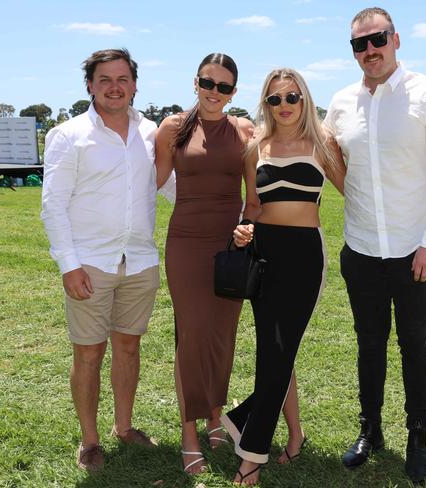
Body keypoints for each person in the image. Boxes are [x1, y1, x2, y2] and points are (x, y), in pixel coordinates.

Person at [324, 7, 426, 484]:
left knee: (415, 345)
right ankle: (371, 430)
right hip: (360, 248)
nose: (369, 50)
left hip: (414, 251)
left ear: (396, 39)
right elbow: (327, 160)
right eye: (359, 44)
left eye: (377, 39)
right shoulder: (341, 102)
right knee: (369, 345)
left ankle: (418, 434)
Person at [41, 48, 174, 472]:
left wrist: (226, 210)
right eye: (104, 80)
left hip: (139, 261)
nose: (114, 87)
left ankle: (123, 426)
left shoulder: (152, 132)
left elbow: (170, 187)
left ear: (135, 84)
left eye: (122, 79)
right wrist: (69, 264)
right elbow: (53, 205)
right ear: (90, 86)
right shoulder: (68, 135)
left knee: (129, 348)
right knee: (88, 354)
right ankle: (89, 440)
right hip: (91, 264)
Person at [221, 67, 346, 485]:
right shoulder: (256, 147)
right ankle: (294, 436)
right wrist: (243, 229)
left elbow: (357, 190)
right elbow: (252, 207)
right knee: (275, 354)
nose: (284, 106)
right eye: (275, 99)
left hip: (305, 256)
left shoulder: (323, 143)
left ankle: (250, 450)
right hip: (265, 252)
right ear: (266, 104)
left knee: (278, 353)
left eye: (291, 97)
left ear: (304, 99)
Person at [154, 53, 257, 474]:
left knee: (221, 336)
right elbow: (152, 183)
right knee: (191, 337)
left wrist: (248, 229)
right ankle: (189, 432)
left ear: (234, 92)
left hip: (230, 246)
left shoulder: (245, 130)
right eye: (208, 83)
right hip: (185, 244)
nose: (215, 93)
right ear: (194, 83)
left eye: (225, 86)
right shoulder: (173, 128)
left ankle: (217, 415)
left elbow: (253, 198)